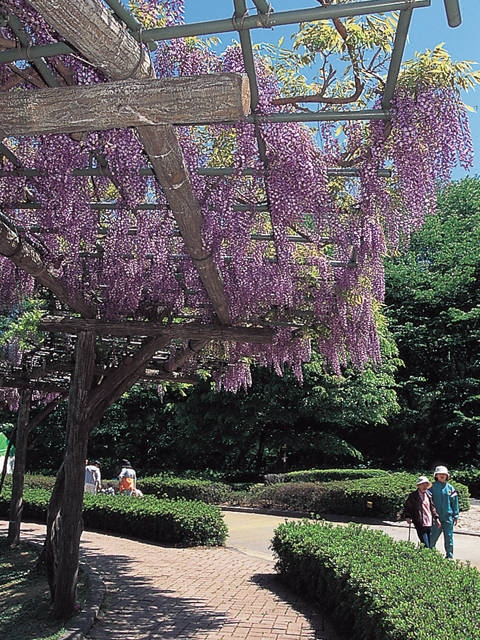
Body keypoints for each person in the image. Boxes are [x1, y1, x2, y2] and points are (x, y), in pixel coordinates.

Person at [429, 465, 459, 559]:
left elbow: (455, 502)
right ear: (436, 475)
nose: (442, 475)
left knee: (449, 538)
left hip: (448, 517)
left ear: (447, 476)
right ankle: (429, 553)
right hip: (436, 518)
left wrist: (456, 515)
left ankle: (449, 556)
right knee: (433, 536)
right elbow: (428, 502)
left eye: (444, 474)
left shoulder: (451, 488)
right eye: (440, 474)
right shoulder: (431, 487)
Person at [403, 475, 440, 548]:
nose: (424, 486)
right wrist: (407, 517)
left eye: (426, 484)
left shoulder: (429, 495)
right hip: (419, 522)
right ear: (418, 485)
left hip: (429, 521)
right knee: (425, 543)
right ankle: (425, 556)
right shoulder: (413, 496)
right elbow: (408, 507)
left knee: (429, 543)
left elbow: (432, 508)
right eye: (422, 484)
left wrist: (436, 518)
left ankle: (423, 556)